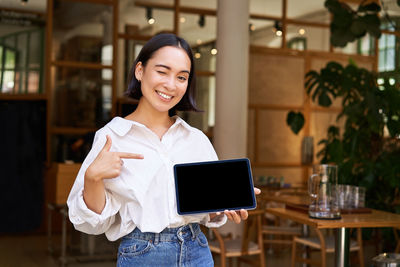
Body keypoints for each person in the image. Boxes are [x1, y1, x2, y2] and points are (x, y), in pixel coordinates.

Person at [67, 33, 260, 267]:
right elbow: (91, 223)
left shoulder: (195, 139)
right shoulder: (112, 136)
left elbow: (207, 212)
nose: (171, 85)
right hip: (142, 253)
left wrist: (223, 206)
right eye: (162, 71)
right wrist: (92, 177)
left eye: (181, 77)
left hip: (196, 251)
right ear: (140, 71)